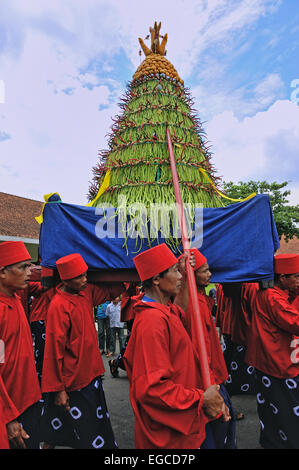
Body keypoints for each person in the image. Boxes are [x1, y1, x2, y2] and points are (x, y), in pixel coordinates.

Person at [123, 243, 227, 449]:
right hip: (169, 433)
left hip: (185, 418)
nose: (179, 277)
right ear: (155, 279)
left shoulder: (166, 310)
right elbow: (152, 389)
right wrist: (201, 398)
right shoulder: (151, 322)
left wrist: (186, 272)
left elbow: (183, 310)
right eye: (174, 272)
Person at [40, 253, 125, 449]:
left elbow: (114, 289)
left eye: (86, 275)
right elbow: (54, 351)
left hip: (91, 375)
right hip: (73, 381)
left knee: (87, 427)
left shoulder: (85, 292)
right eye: (80, 277)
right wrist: (58, 390)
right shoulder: (58, 306)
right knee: (88, 433)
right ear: (65, 279)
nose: (85, 280)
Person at [245, 253, 299, 449]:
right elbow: (295, 322)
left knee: (270, 407)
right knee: (286, 408)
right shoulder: (273, 298)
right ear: (282, 278)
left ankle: (271, 440)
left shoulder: (271, 293)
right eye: (297, 276)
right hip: (277, 362)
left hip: (268, 360)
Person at [187, 248, 236, 449]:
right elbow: (201, 347)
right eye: (204, 271)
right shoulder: (194, 303)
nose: (209, 275)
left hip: (212, 376)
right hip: (208, 379)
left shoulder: (201, 298)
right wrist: (210, 382)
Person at [0, 241, 42, 449]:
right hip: (10, 408)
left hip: (29, 399)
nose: (30, 271)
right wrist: (8, 418)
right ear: (2, 272)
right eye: (23, 266)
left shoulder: (16, 299)